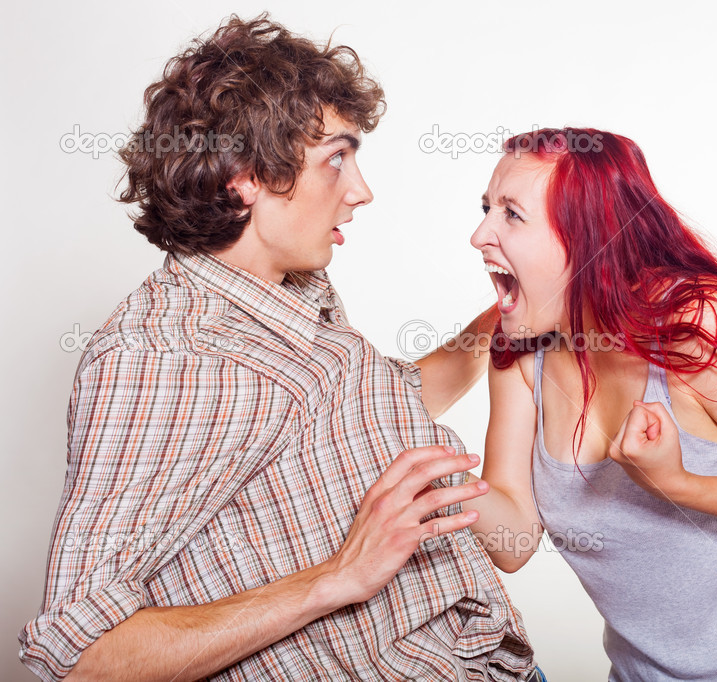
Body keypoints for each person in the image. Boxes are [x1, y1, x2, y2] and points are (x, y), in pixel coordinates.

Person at [18, 15, 545, 682]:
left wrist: (508, 315)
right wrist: (335, 578)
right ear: (244, 176)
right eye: (336, 158)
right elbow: (82, 657)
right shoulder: (161, 356)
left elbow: (379, 405)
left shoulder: (288, 287)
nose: (361, 190)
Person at [465, 128, 717, 681]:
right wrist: (431, 480)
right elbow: (513, 541)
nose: (478, 233)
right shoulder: (522, 349)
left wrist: (679, 485)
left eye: (512, 214)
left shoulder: (703, 328)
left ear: (590, 238)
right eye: (486, 208)